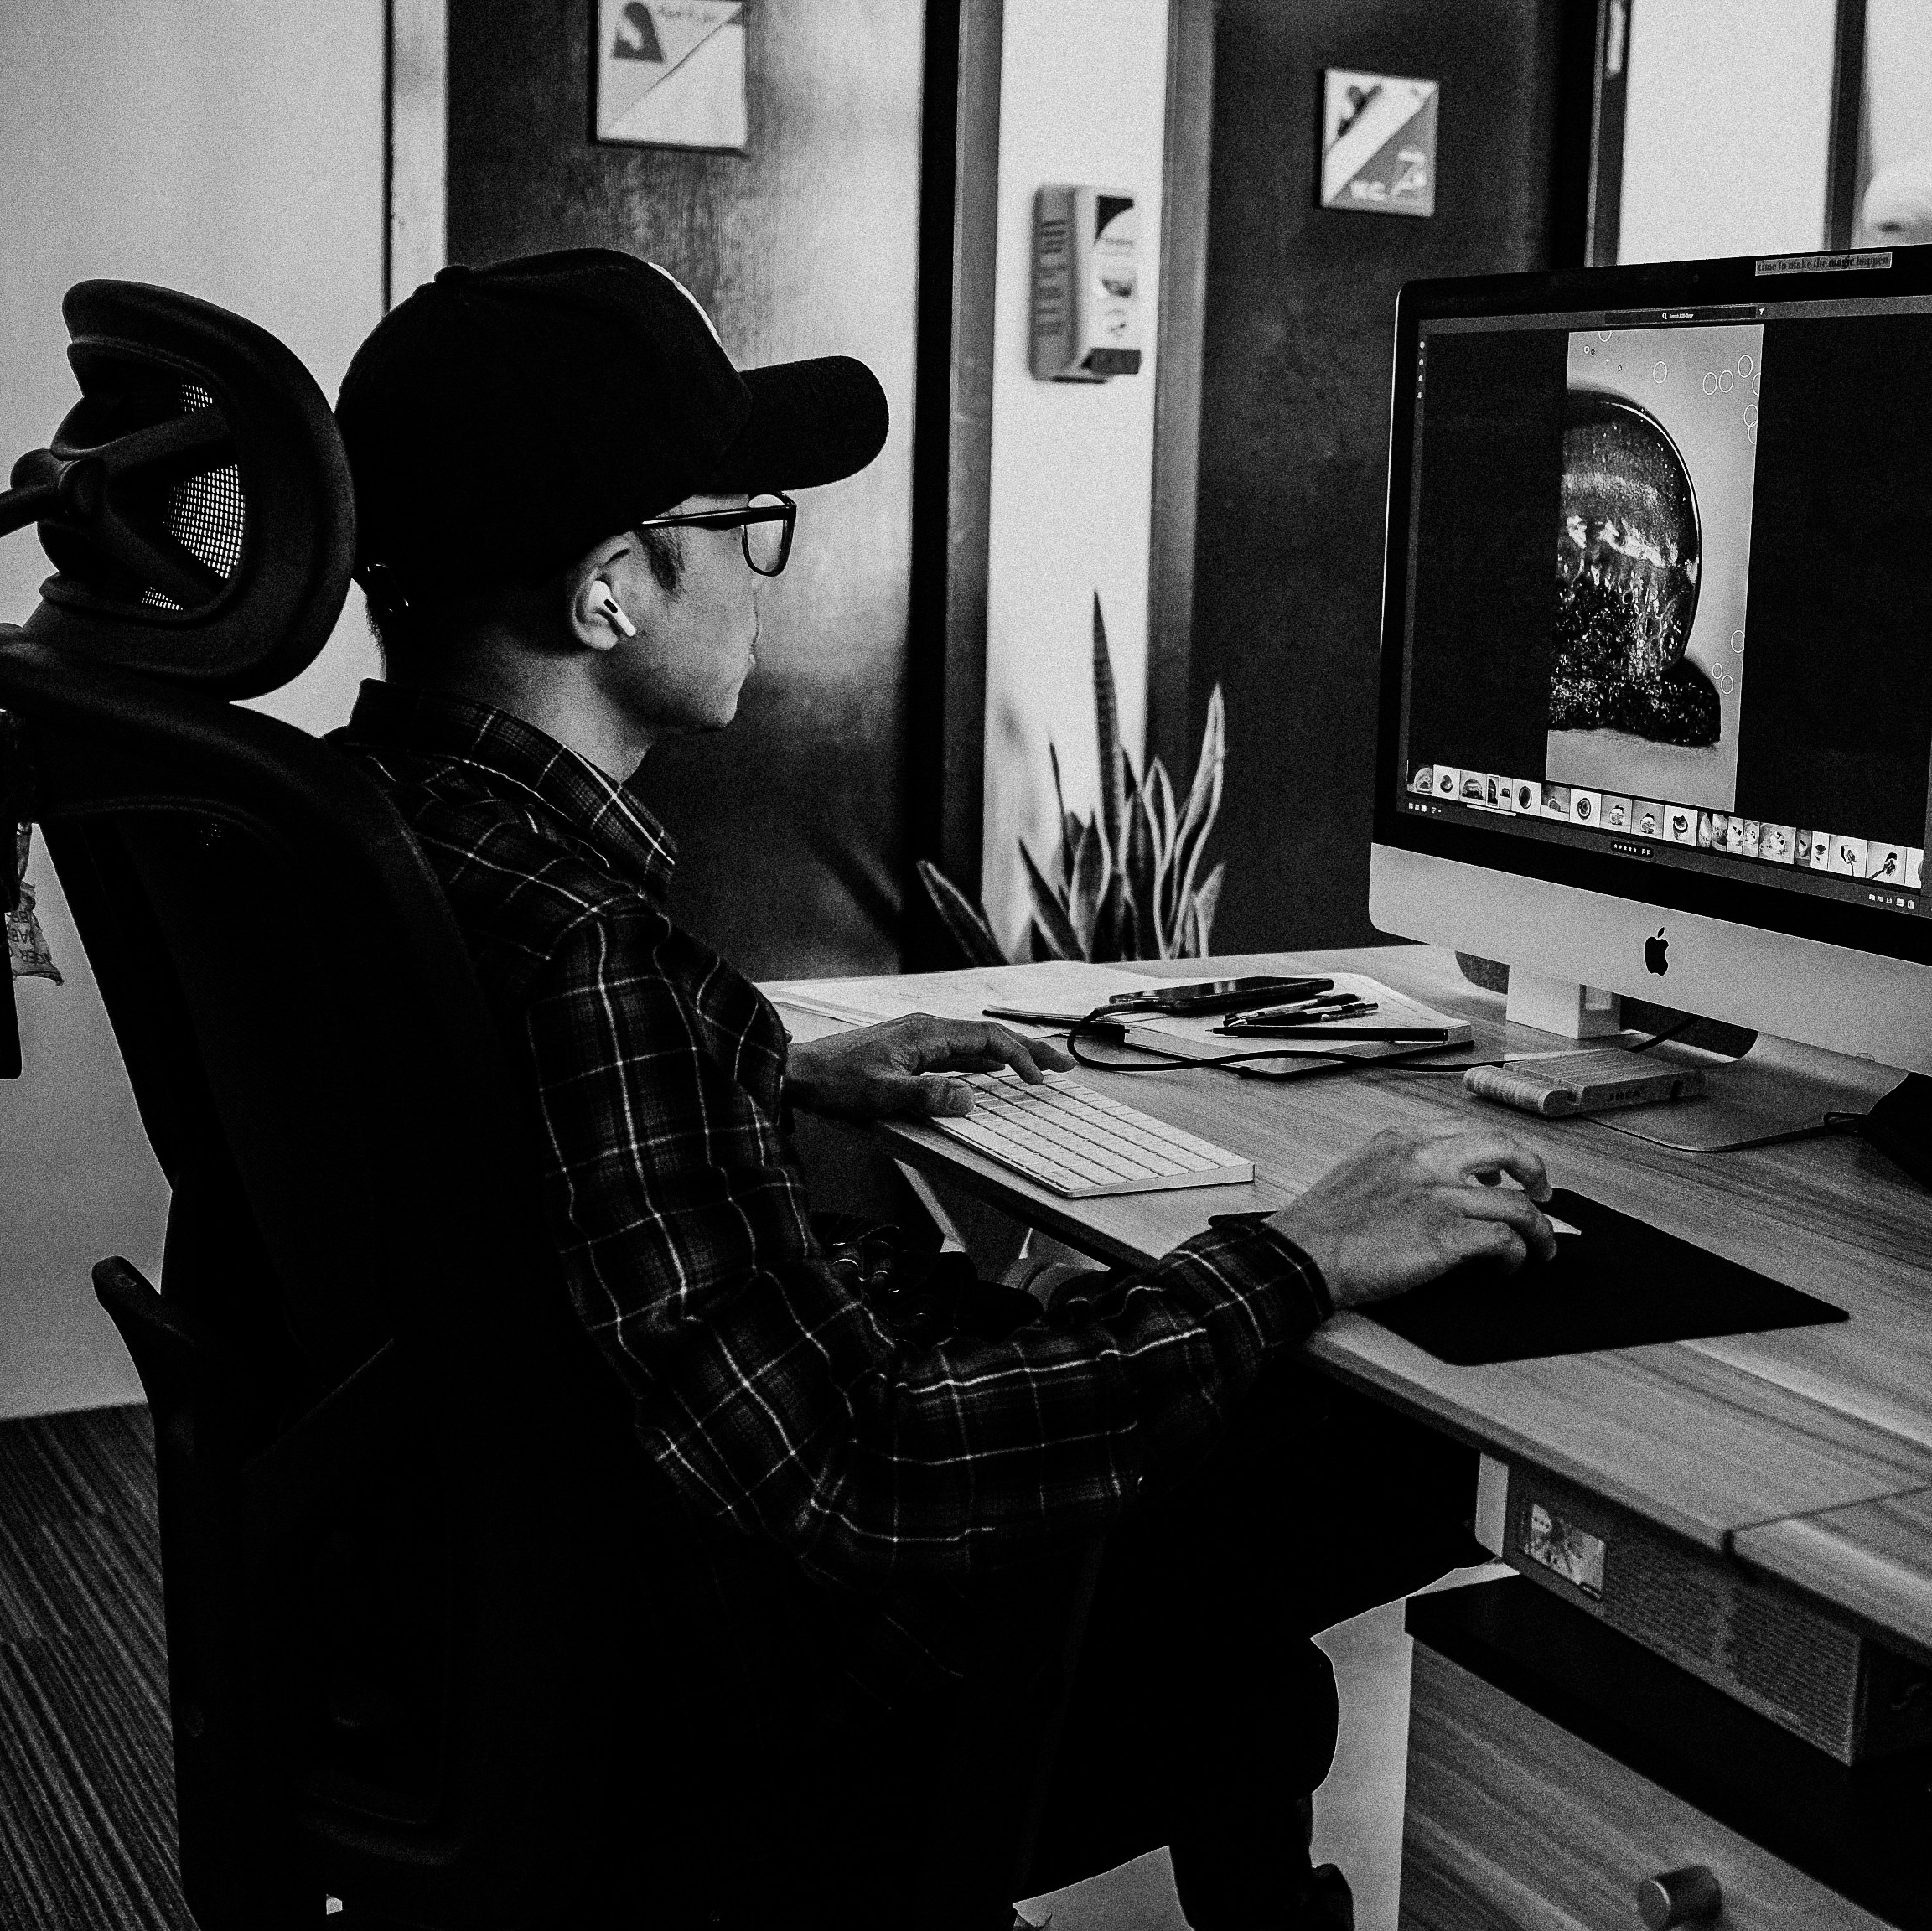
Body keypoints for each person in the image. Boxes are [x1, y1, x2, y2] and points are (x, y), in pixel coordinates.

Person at [328, 249, 1555, 1930]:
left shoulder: (379, 834)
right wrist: (1301, 1256)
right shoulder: (587, 956)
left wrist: (773, 1064)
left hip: (487, 1650)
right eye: (748, 530)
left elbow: (529, 1169)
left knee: (1140, 1334)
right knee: (1377, 1436)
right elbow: (859, 1467)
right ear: (610, 589)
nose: (771, 577)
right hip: (781, 1702)